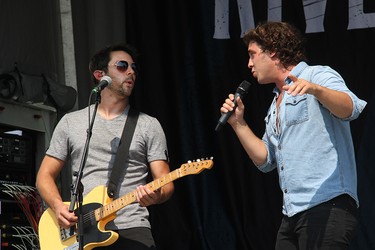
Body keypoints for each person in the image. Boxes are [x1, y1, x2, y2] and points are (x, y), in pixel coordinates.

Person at [219, 21, 367, 250]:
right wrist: (238, 124)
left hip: (327, 205)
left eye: (252, 54)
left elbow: (351, 108)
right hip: (292, 213)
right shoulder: (274, 105)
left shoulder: (316, 74)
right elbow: (265, 160)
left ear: (274, 52)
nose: (249, 63)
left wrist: (315, 89)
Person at [36, 44, 174, 249]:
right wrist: (57, 207)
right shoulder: (70, 122)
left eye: (133, 67)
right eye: (122, 66)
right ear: (100, 75)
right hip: (81, 231)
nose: (131, 72)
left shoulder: (148, 124)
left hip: (132, 227)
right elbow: (44, 175)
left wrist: (156, 196)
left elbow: (166, 183)